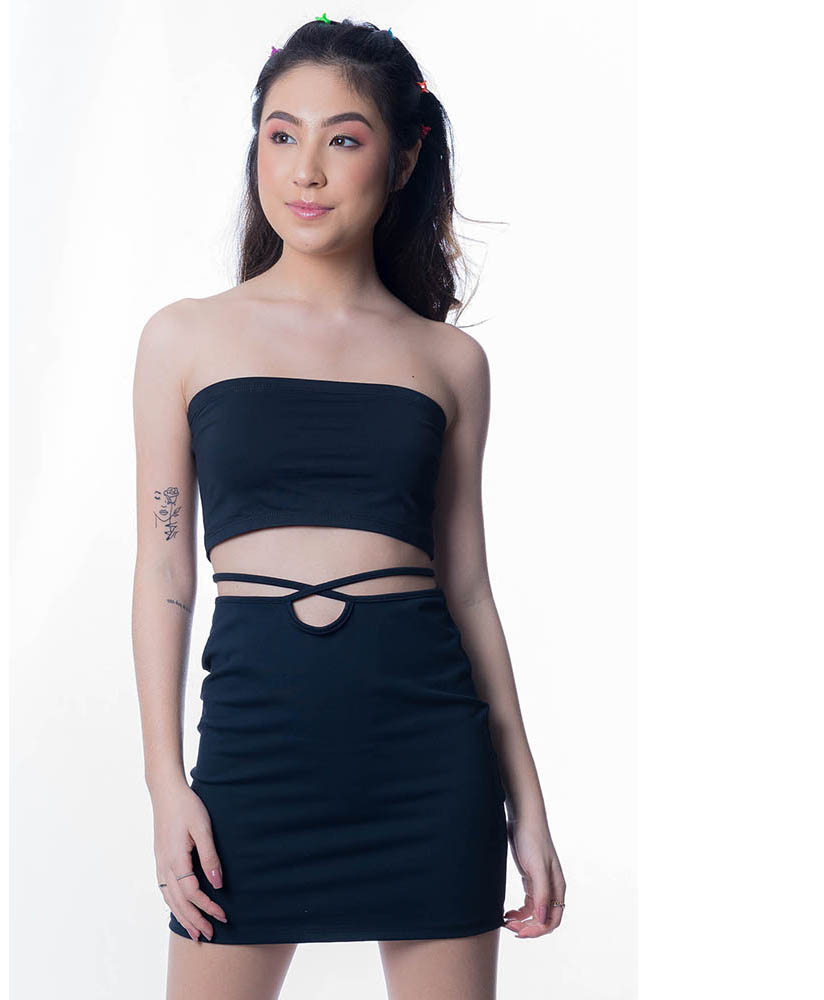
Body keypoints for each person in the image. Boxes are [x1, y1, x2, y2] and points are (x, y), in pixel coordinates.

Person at [131, 16, 565, 999]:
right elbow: (163, 571)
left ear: (403, 159)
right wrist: (165, 785)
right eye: (281, 134)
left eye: (344, 138)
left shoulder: (450, 360)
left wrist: (526, 806)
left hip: (427, 760)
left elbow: (468, 589)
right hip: (255, 747)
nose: (306, 170)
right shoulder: (183, 339)